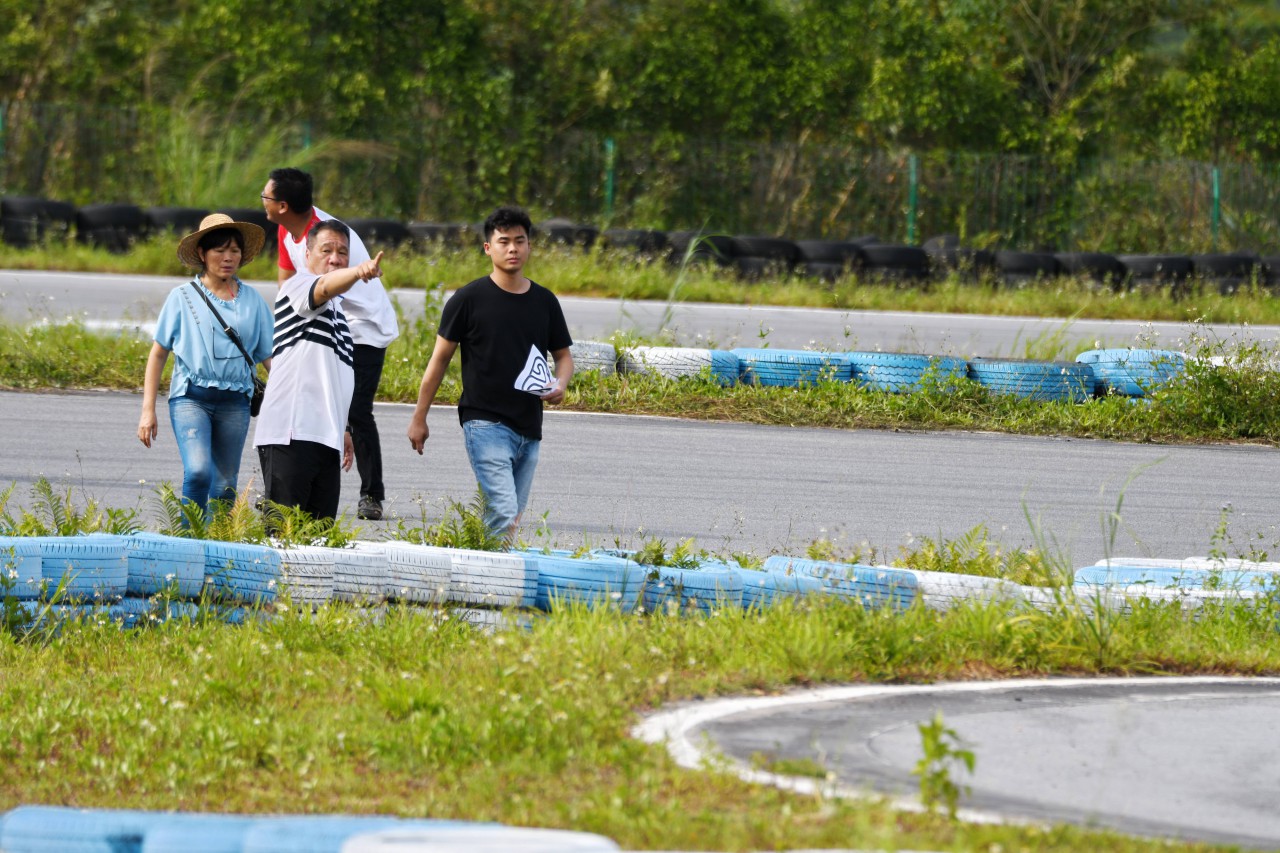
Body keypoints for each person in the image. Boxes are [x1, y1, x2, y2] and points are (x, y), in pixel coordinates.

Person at [407, 205, 574, 540]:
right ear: (488, 248)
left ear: (529, 245)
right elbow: (438, 361)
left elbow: (564, 357)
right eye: (503, 241)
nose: (512, 248)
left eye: (519, 241)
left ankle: (489, 578)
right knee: (503, 510)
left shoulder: (545, 301)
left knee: (509, 519)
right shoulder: (468, 300)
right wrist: (419, 417)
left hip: (529, 426)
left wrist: (561, 385)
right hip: (484, 423)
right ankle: (495, 588)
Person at [260, 167, 398, 521]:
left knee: (356, 409)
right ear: (310, 253)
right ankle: (278, 484)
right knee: (285, 529)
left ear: (284, 204)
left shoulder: (326, 231)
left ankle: (371, 492)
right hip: (293, 426)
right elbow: (311, 286)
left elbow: (326, 287)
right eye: (327, 252)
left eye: (342, 254)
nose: (335, 257)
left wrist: (344, 428)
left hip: (363, 325)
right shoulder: (300, 272)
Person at [137, 213, 274, 516]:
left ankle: (218, 553)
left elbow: (269, 358)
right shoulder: (181, 297)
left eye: (234, 251)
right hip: (191, 399)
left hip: (235, 402)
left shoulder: (253, 301)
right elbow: (158, 353)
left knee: (225, 486)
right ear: (202, 254)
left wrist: (287, 399)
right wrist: (148, 410)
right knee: (198, 472)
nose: (228, 258)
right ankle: (190, 547)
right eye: (219, 250)